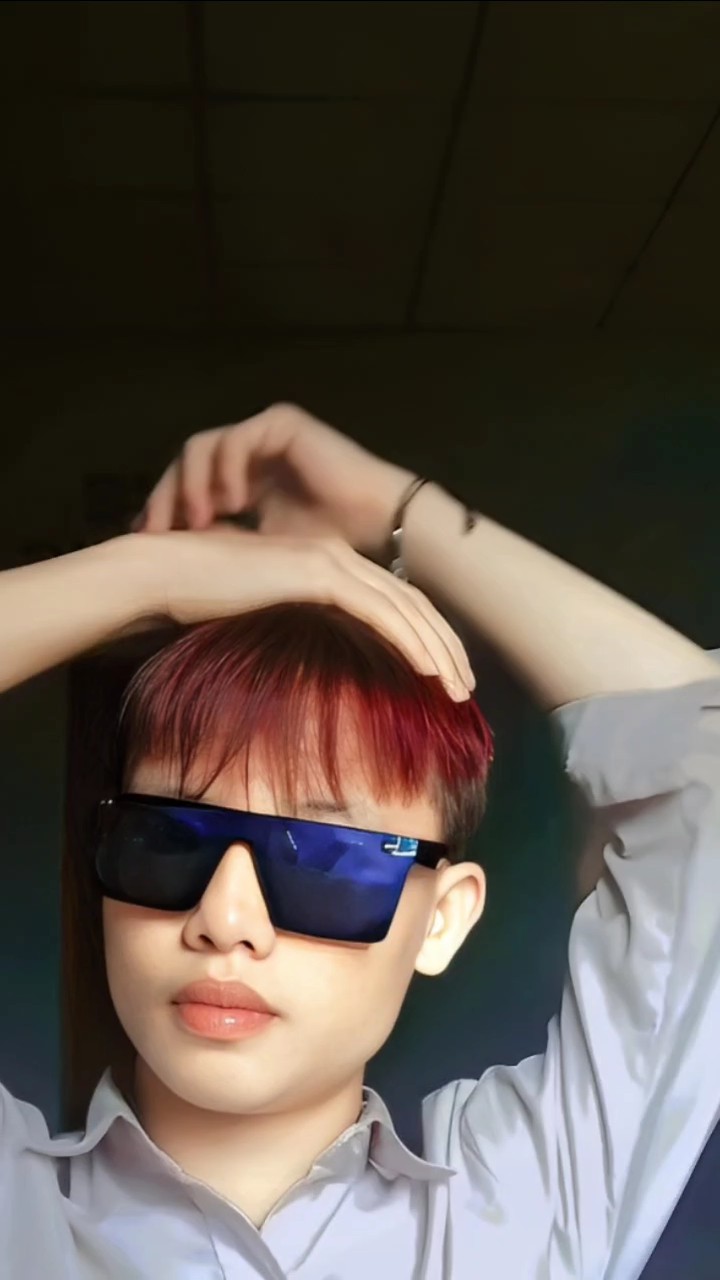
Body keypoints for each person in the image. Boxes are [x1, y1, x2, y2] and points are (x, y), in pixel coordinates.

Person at [1, 402, 718, 1280]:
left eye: (325, 858)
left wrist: (397, 511)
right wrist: (148, 573)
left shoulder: (521, 1212)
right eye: (167, 839)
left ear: (441, 920)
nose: (226, 919)